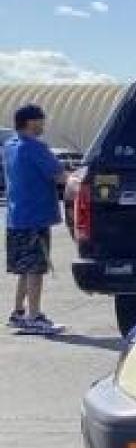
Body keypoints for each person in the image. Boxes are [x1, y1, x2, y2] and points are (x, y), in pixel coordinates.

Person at [4, 104, 68, 335]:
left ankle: (18, 312)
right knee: (35, 270)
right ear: (31, 122)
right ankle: (34, 316)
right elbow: (60, 176)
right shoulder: (35, 147)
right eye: (41, 120)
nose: (43, 125)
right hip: (35, 218)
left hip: (16, 217)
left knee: (24, 268)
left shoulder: (10, 146)